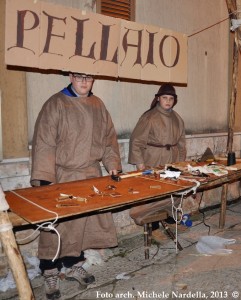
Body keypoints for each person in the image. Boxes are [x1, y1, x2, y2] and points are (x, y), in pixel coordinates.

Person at [31, 72, 122, 300]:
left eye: (88, 78)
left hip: (90, 173)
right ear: (70, 77)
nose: (84, 82)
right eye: (79, 77)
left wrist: (112, 165)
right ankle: (50, 270)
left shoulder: (97, 104)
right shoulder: (55, 104)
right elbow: (44, 142)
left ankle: (72, 264)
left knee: (81, 224)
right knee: (56, 225)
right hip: (62, 175)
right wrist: (45, 179)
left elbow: (109, 138)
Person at [128, 83, 186, 239]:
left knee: (171, 191)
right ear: (158, 98)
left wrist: (180, 163)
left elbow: (181, 144)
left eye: (171, 98)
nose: (168, 101)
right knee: (153, 193)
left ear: (174, 100)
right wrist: (140, 164)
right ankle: (153, 228)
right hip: (152, 159)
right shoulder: (149, 117)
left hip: (172, 161)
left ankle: (170, 219)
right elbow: (136, 141)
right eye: (165, 98)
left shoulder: (177, 119)